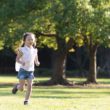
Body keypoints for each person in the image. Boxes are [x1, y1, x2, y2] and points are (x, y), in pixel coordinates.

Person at [12, 32, 40, 105]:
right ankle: (17, 87)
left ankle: (26, 101)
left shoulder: (35, 50)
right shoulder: (22, 50)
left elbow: (36, 59)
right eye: (28, 39)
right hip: (23, 71)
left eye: (32, 39)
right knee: (22, 88)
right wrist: (21, 63)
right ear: (24, 40)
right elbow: (17, 59)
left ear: (34, 41)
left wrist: (37, 62)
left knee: (30, 86)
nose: (30, 41)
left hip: (30, 71)